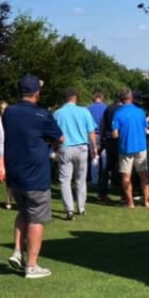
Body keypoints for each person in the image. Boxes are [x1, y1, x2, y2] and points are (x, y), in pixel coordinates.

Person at [3, 75, 63, 279]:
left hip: (14, 172)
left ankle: (18, 252)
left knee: (23, 212)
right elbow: (59, 137)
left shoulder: (9, 112)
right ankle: (32, 264)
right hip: (35, 173)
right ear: (37, 93)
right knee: (36, 217)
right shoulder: (42, 114)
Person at [53, 88, 98, 220]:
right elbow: (91, 132)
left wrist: (55, 148)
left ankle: (69, 209)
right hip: (81, 148)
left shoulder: (57, 113)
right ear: (75, 97)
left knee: (65, 180)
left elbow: (55, 134)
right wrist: (94, 147)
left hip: (65, 147)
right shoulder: (84, 111)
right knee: (80, 179)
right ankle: (81, 206)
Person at [111, 89, 149, 209]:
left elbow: (114, 134)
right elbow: (144, 126)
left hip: (125, 147)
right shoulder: (140, 112)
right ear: (131, 98)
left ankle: (130, 202)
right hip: (140, 146)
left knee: (126, 176)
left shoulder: (118, 113)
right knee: (143, 175)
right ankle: (147, 201)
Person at [97, 90, 125, 203]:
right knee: (123, 166)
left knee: (108, 166)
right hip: (120, 140)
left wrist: (102, 140)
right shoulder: (123, 109)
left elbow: (103, 125)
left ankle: (102, 193)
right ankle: (124, 194)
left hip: (109, 140)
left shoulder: (108, 109)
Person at [87, 91, 107, 186]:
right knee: (105, 157)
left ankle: (94, 180)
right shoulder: (106, 108)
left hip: (92, 135)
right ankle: (106, 179)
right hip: (104, 135)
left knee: (94, 157)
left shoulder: (88, 108)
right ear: (102, 98)